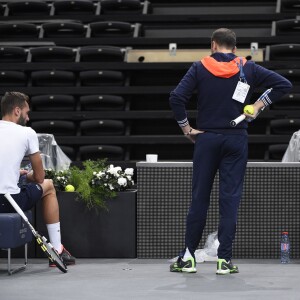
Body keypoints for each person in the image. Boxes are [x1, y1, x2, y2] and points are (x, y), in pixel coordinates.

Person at [169, 28, 292, 275]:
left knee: (199, 200)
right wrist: (257, 105)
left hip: (206, 139)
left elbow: (176, 98)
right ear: (235, 48)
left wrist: (187, 129)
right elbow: (283, 84)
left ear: (213, 45)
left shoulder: (199, 67)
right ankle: (224, 261)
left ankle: (188, 258)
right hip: (236, 140)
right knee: (230, 200)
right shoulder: (248, 68)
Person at [0, 91, 75, 267]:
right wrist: (28, 174)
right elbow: (39, 176)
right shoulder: (27, 133)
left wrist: (13, 172)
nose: (27, 118)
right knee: (48, 186)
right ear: (17, 111)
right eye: (26, 113)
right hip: (9, 201)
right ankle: (57, 249)